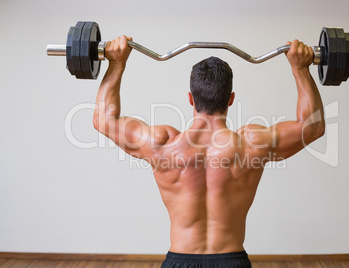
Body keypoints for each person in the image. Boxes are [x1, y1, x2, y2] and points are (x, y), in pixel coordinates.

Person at [93, 35, 325, 268]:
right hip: (232, 261)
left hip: (179, 261)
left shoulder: (161, 144)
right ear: (231, 99)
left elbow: (103, 119)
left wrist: (116, 63)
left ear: (191, 99)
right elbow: (312, 127)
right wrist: (300, 68)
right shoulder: (252, 144)